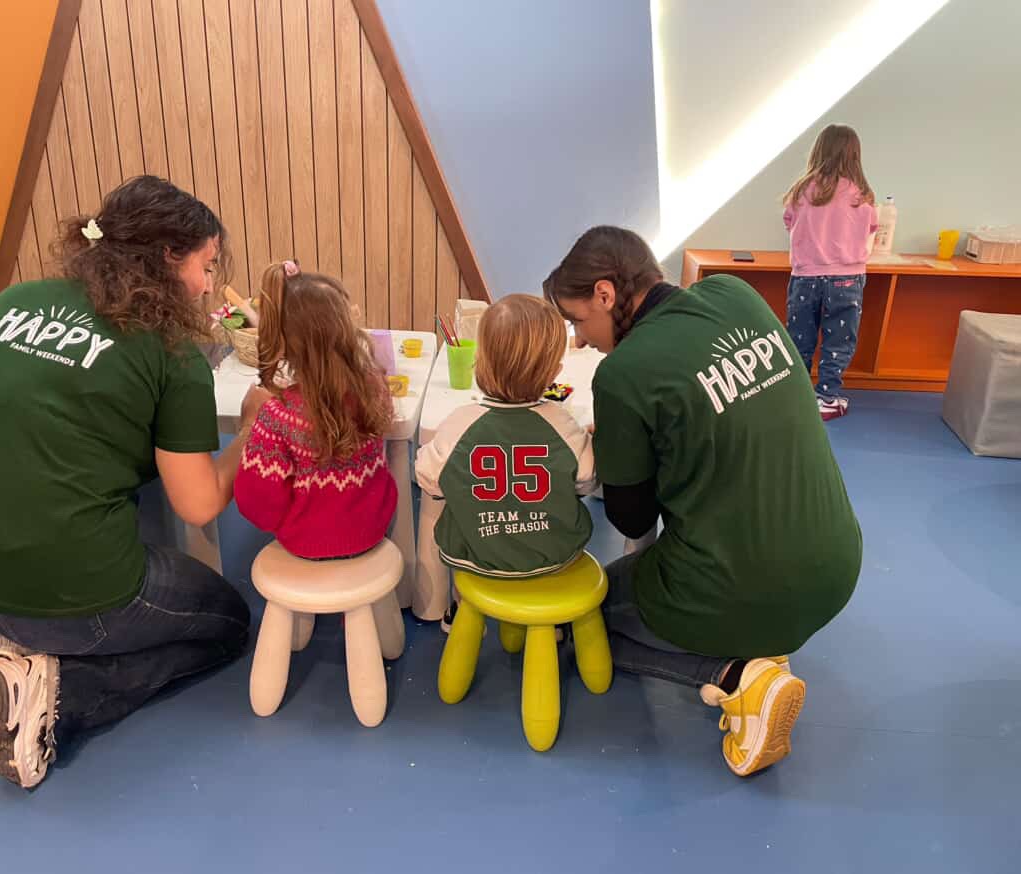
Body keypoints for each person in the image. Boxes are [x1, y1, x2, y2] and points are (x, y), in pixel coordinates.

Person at [0, 176, 256, 789]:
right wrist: (251, 431)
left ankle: (24, 646)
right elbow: (200, 504)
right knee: (228, 623)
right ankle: (64, 693)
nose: (208, 286)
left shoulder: (11, 304)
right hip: (77, 595)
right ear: (168, 257)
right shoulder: (173, 355)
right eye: (205, 266)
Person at [544, 225, 861, 777]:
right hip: (836, 565)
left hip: (738, 583)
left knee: (580, 618)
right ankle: (760, 641)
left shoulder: (623, 373)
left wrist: (622, 447)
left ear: (605, 294)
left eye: (577, 321)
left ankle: (738, 677)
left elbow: (631, 518)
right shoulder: (736, 293)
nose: (580, 339)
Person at [415, 296, 595, 626]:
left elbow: (428, 479)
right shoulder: (564, 424)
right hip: (554, 555)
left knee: (453, 522)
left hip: (476, 555)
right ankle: (551, 624)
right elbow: (587, 480)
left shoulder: (460, 422)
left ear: (479, 362)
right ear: (554, 373)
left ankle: (461, 608)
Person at [234, 261, 397, 560]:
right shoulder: (374, 388)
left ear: (282, 341)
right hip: (374, 529)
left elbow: (258, 505)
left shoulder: (277, 415)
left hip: (305, 543)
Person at [783, 123, 879, 420]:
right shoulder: (861, 195)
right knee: (839, 340)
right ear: (855, 156)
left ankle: (795, 396)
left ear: (818, 151)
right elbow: (871, 230)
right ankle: (827, 397)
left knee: (799, 338)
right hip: (847, 278)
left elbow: (789, 223)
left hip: (805, 276)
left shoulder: (801, 191)